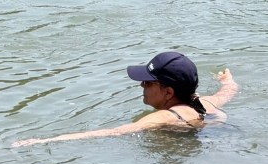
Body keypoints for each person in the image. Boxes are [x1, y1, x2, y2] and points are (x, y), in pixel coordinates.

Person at [13, 51, 238, 146]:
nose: (141, 85)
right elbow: (229, 91)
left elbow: (115, 132)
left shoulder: (164, 117)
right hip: (221, 135)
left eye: (148, 82)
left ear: (168, 93)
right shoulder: (204, 102)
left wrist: (46, 141)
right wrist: (226, 80)